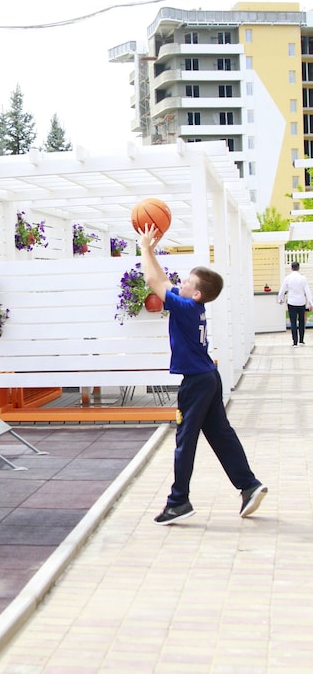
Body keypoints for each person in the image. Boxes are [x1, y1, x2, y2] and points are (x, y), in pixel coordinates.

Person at [137, 224, 267, 525]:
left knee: (185, 440)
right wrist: (152, 251)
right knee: (221, 434)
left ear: (196, 293)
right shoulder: (191, 305)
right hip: (209, 376)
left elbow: (152, 280)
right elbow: (163, 279)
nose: (180, 283)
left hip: (196, 383)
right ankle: (249, 485)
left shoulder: (185, 307)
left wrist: (143, 247)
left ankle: (178, 501)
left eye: (186, 281)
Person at [277, 261, 312, 346]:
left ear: (291, 268)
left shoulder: (288, 278)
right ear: (298, 268)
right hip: (301, 302)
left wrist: (280, 299)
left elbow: (282, 290)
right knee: (301, 322)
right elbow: (307, 291)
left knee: (293, 322)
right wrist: (311, 303)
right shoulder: (303, 278)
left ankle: (295, 342)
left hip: (292, 302)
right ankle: (301, 341)